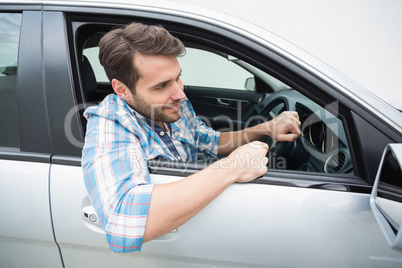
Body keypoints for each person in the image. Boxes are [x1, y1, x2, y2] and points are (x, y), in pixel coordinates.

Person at [81, 22, 300, 253]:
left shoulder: (173, 105)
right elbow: (121, 224)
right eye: (162, 85)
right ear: (122, 90)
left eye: (178, 77)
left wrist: (266, 128)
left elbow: (208, 141)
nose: (180, 93)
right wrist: (233, 167)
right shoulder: (110, 124)